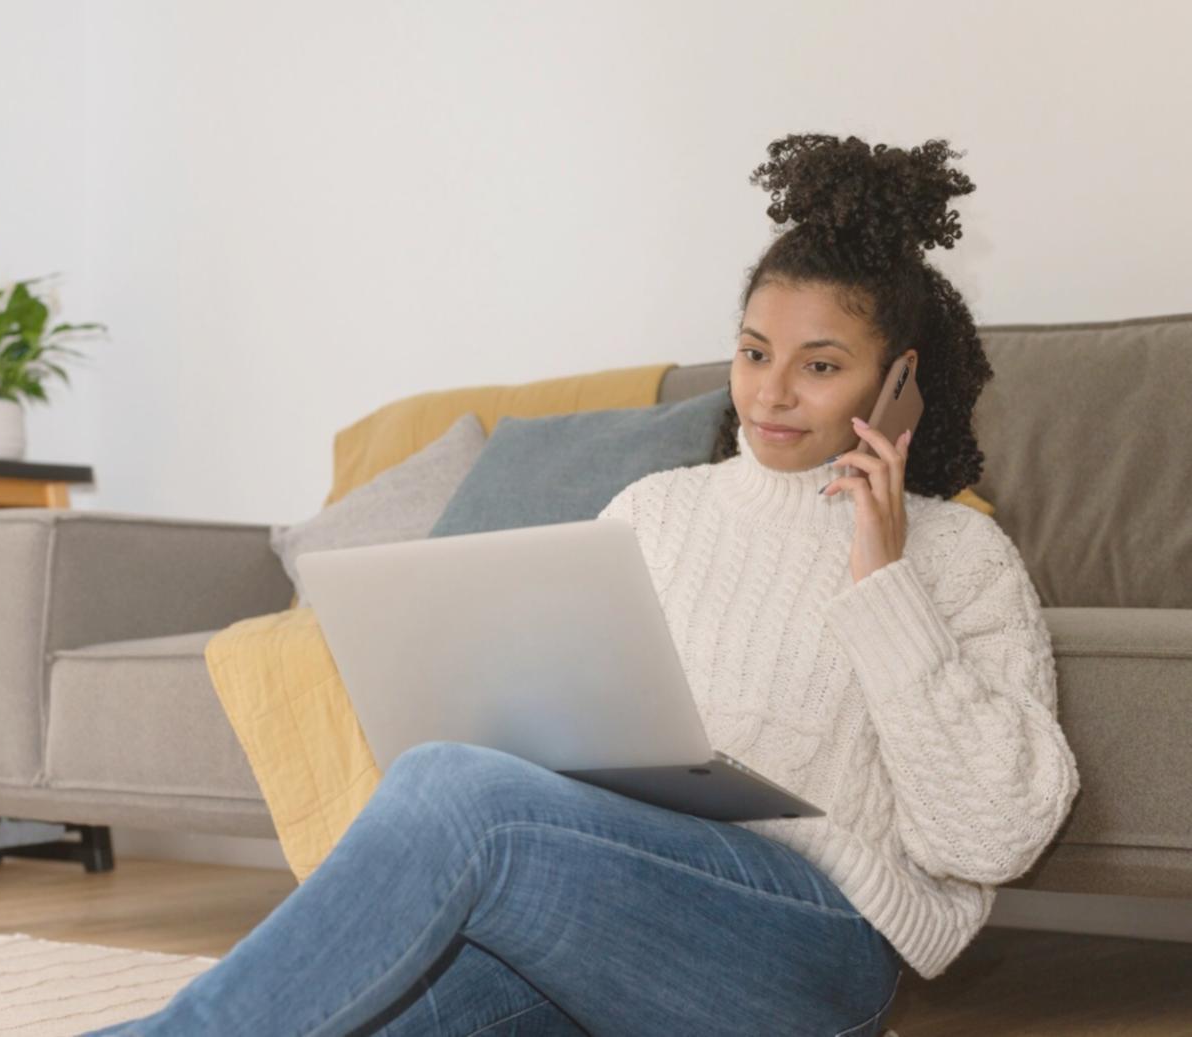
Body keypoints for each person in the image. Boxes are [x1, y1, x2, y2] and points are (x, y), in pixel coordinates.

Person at [84, 133, 1081, 1037]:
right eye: (750, 352)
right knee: (367, 1008)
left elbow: (990, 835)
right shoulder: (653, 508)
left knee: (452, 789)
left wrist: (879, 576)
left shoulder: (953, 554)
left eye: (819, 365)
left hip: (807, 954)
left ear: (895, 380)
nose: (769, 392)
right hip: (605, 921)